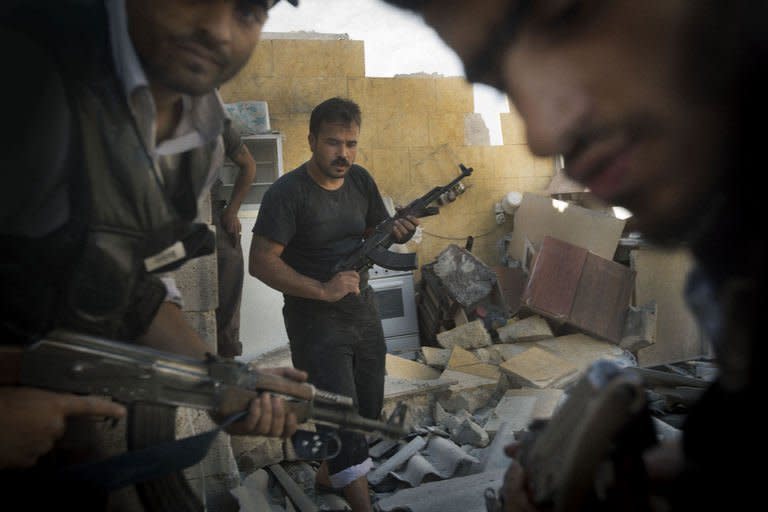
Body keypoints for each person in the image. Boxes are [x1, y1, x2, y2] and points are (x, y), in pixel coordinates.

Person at [381, 1, 766, 510]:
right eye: (499, 81)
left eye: (563, 17)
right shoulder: (733, 253)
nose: (542, 132)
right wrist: (606, 475)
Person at [0, 0, 304, 502]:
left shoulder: (201, 139)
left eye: (249, 10)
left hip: (56, 422)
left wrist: (223, 383)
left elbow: (133, 290)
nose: (218, 31)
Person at [249, 97, 419, 512]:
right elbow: (260, 262)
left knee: (368, 407)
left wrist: (398, 233)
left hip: (362, 310)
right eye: (333, 143)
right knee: (341, 415)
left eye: (351, 143)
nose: (344, 153)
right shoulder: (287, 194)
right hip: (314, 320)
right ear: (311, 141)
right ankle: (363, 504)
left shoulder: (360, 181)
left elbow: (375, 232)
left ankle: (330, 476)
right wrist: (322, 289)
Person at [212, 118, 257, 359]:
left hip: (210, 208)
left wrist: (232, 210)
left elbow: (248, 165)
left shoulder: (218, 122)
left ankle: (226, 350)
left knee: (230, 257)